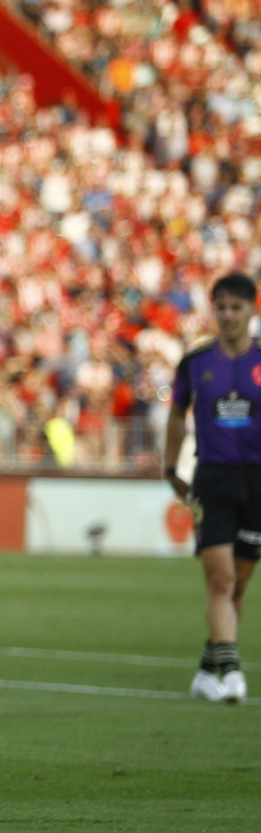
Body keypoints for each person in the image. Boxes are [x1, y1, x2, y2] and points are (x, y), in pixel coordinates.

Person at [166, 271, 257, 704]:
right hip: (213, 479)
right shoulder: (196, 362)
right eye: (221, 307)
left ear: (251, 311)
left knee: (237, 586)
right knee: (220, 581)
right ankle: (232, 672)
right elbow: (175, 413)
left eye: (236, 307)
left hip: (257, 482)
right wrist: (170, 467)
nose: (228, 315)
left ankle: (206, 671)